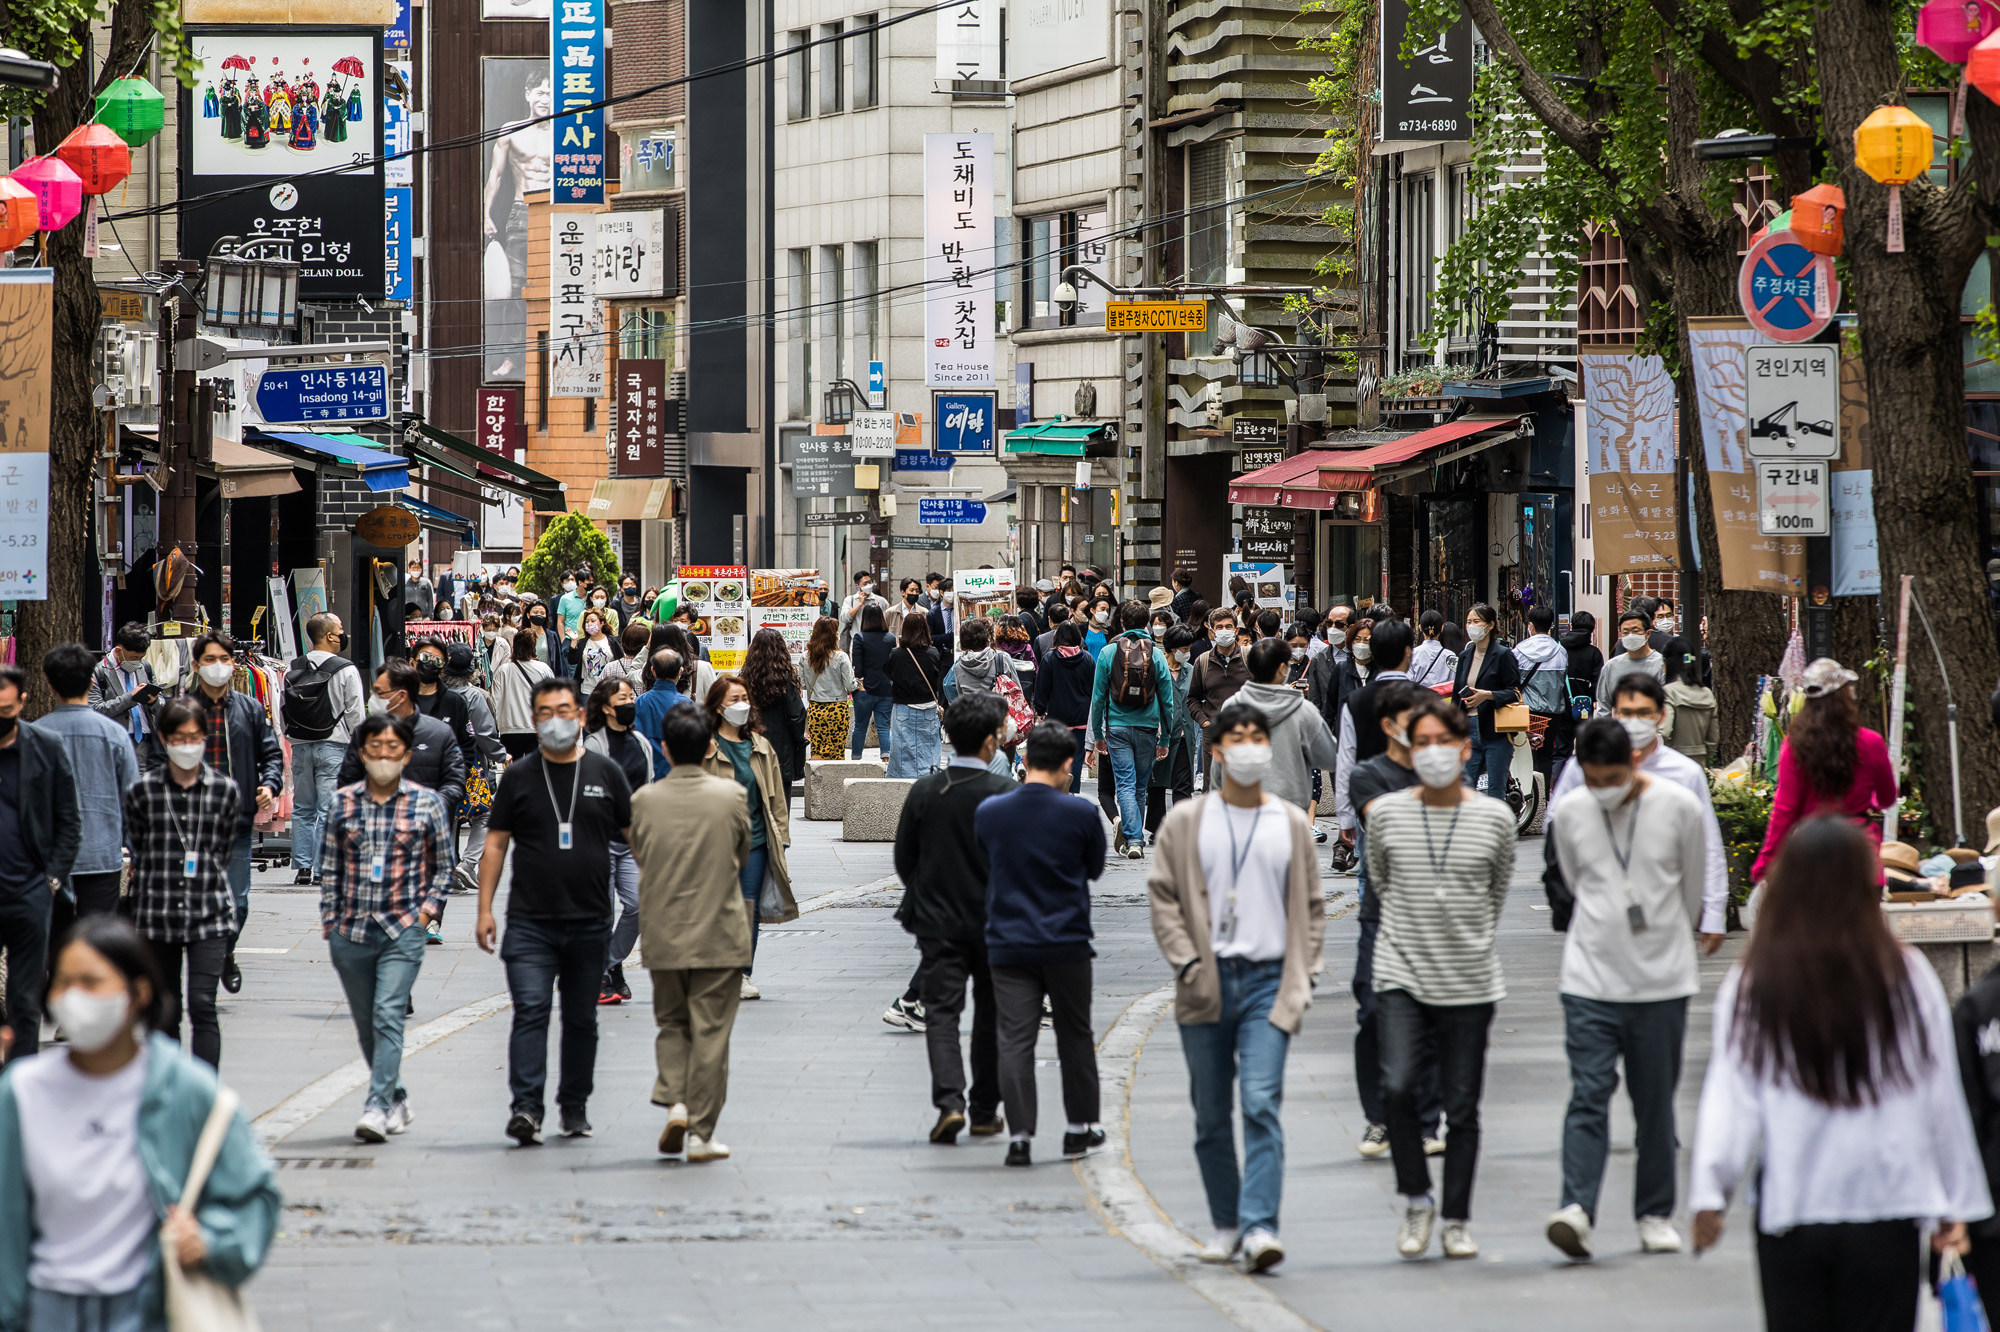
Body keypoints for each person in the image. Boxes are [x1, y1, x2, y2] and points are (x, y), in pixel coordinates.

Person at [1690, 817, 1991, 1329]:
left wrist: (1710, 1191)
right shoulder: (1903, 973)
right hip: (1886, 1203)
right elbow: (1938, 1092)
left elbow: (1731, 1092)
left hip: (1794, 1201)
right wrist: (1955, 1202)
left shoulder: (1757, 978)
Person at [0, 915, 280, 1331]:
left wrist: (210, 1240)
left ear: (138, 992)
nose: (75, 997)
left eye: (92, 982)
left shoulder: (185, 1091)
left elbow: (255, 1195)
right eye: (63, 982)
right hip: (43, 1311)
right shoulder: (22, 1092)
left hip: (146, 1309)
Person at [1146, 697, 1327, 1273]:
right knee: (1209, 1114)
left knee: (1260, 1103)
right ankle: (1226, 1224)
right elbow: (1164, 898)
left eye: (1258, 738)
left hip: (1269, 982)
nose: (1250, 747)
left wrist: (1303, 978)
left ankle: (1260, 1228)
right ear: (1218, 751)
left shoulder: (1290, 823)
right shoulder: (1186, 822)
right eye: (1238, 738)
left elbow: (1312, 909)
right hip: (1206, 982)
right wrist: (1187, 963)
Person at [1542, 718, 1712, 1261]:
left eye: (1612, 777)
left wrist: (1667, 938)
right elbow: (1572, 881)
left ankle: (1655, 1213)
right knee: (1588, 1094)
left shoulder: (1677, 807)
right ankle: (1576, 1208)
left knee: (1655, 1103)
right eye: (1592, 779)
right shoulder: (1570, 813)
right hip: (1589, 977)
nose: (1602, 789)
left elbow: (1691, 886)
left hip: (1661, 980)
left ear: (1634, 763)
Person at [1365, 697, 1518, 1260]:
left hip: (1470, 978)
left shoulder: (1495, 818)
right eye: (1420, 743)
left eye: (1441, 743)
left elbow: (1496, 892)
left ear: (1464, 748)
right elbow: (1381, 882)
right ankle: (1415, 1199)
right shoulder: (1385, 813)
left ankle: (1455, 1217)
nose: (1431, 753)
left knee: (1463, 1104)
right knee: (1399, 1087)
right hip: (1401, 968)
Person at [477, 677, 635, 1146]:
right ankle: (526, 1106)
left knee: (581, 1018)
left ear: (581, 716)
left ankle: (574, 1106)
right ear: (533, 720)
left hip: (589, 923)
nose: (555, 720)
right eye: (544, 713)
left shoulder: (606, 773)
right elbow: (495, 844)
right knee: (531, 1010)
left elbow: (636, 839)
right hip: (529, 921)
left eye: (564, 711)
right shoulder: (519, 776)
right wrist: (484, 909)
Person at [977, 720, 1107, 1168]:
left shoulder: (991, 812)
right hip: (1067, 940)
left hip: (1008, 941)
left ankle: (1020, 1137)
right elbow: (1093, 870)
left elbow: (984, 864)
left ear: (1024, 760)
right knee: (1075, 1033)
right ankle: (1078, 1128)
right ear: (1068, 763)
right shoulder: (1082, 814)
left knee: (1014, 1039)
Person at [628, 701, 752, 1163]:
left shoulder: (643, 800)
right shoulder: (731, 796)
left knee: (672, 1024)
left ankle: (675, 1100)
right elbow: (740, 855)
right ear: (708, 747)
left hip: (663, 931)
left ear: (664, 748)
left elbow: (641, 854)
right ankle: (701, 1131)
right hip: (719, 930)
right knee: (711, 1032)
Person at [321, 712, 454, 1142]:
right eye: (374, 747)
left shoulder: (426, 803)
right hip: (351, 931)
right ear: (361, 753)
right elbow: (330, 868)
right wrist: (331, 922)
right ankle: (396, 1095)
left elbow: (443, 866)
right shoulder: (342, 803)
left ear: (406, 754)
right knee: (365, 1026)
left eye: (392, 748)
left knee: (388, 1014)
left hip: (403, 929)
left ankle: (376, 1107)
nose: (383, 755)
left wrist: (427, 912)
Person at [893, 694, 1015, 1144]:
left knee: (941, 1012)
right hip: (995, 922)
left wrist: (928, 891)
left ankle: (950, 1103)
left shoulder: (928, 790)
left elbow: (905, 858)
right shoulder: (1007, 794)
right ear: (989, 743)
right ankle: (985, 1109)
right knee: (990, 1013)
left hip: (938, 922)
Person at [1341, 680, 1445, 1160]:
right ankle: (1379, 1116)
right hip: (1380, 915)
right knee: (1373, 1011)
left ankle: (1427, 1121)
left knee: (1430, 1015)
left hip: (1433, 915)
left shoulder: (1442, 774)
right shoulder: (1369, 775)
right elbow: (1387, 823)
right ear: (1390, 727)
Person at [1548, 673, 1730, 939]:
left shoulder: (1685, 773)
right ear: (1614, 714)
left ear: (1661, 715)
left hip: (1665, 908)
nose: (1634, 722)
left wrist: (1713, 911)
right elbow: (1556, 825)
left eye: (1644, 713)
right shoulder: (1583, 766)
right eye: (1627, 712)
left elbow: (1708, 843)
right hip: (1596, 910)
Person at [160, 633, 281, 997]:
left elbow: (271, 754)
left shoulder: (249, 708)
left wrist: (269, 784)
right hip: (188, 822)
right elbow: (157, 759)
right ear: (196, 665)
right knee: (189, 898)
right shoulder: (178, 711)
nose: (218, 666)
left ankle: (225, 950)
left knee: (237, 900)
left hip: (236, 819)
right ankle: (201, 964)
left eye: (224, 658)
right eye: (210, 659)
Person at [124, 697, 240, 1068]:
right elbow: (138, 845)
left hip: (209, 911)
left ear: (205, 738)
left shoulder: (224, 791)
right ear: (164, 738)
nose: (187, 744)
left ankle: (202, 1093)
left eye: (194, 736)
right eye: (179, 737)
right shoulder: (143, 792)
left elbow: (223, 849)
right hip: (157, 912)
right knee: (165, 1009)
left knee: (203, 1005)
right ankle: (168, 1088)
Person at [1750, 657, 1897, 884]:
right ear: (1845, 698)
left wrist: (1765, 863)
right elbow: (1887, 797)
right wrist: (1869, 801)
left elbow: (1785, 809)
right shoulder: (1871, 742)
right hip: (1860, 849)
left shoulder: (1794, 746)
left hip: (1812, 849)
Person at [702, 676, 800, 1000]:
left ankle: (742, 972)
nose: (742, 704)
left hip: (756, 841)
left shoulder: (760, 746)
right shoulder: (705, 745)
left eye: (745, 697)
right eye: (734, 699)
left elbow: (775, 800)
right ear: (718, 705)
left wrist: (781, 837)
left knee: (749, 907)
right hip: (715, 842)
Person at [37, 645, 138, 932]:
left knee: (56, 943)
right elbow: (132, 801)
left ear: (50, 686)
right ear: (92, 681)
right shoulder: (115, 735)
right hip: (102, 855)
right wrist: (137, 855)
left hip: (51, 860)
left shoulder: (36, 736)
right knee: (99, 941)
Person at [279, 612, 368, 888]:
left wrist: (292, 738)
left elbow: (284, 711)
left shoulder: (292, 667)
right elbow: (355, 712)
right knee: (328, 810)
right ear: (330, 635)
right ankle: (322, 868)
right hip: (335, 746)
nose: (343, 633)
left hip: (301, 747)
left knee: (303, 808)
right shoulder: (346, 669)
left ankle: (303, 868)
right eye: (340, 629)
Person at [1090, 600, 1177, 859]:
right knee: (1139, 787)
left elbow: (1097, 698)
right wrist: (1167, 736)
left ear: (1122, 623)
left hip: (1117, 727)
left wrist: (1097, 734)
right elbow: (1168, 700)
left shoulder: (1108, 652)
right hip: (1148, 727)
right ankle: (1133, 838)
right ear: (1147, 623)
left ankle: (1134, 839)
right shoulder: (1157, 654)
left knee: (1125, 785)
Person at [584, 679, 650, 1006]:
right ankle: (604, 974)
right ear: (607, 707)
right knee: (603, 913)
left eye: (630, 696)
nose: (629, 702)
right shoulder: (594, 745)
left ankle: (609, 962)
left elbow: (648, 789)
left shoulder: (641, 742)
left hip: (632, 841)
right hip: (599, 840)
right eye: (622, 698)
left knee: (639, 905)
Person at [1231, 639, 1338, 818]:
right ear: (1282, 668)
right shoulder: (1304, 711)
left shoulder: (1231, 708)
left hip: (1243, 807)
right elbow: (1330, 758)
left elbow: (1219, 767)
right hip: (1291, 812)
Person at [1145, 624, 1203, 840]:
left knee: (1183, 784)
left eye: (1188, 648)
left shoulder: (1191, 670)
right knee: (1157, 783)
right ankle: (1157, 828)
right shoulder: (1155, 668)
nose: (1186, 653)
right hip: (1159, 735)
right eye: (1183, 648)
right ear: (1170, 648)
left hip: (1184, 735)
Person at [741, 629, 808, 800]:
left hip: (752, 745)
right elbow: (797, 715)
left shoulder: (745, 677)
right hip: (782, 748)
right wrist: (799, 738)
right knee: (781, 804)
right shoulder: (786, 678)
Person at [1033, 621, 1097, 793]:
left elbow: (1042, 688)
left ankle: (1057, 788)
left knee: (1058, 755)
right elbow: (1094, 690)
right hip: (1082, 717)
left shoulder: (1049, 659)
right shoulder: (1088, 659)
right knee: (1076, 758)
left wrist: (1039, 710)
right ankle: (1071, 791)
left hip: (1057, 718)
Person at [1513, 605, 1571, 788]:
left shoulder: (1519, 651)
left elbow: (1513, 680)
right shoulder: (1560, 651)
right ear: (1550, 625)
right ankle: (1543, 794)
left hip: (1526, 713)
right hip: (1552, 713)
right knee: (1546, 754)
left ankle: (1526, 792)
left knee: (1524, 754)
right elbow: (1562, 681)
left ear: (1530, 626)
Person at [887, 614, 947, 778]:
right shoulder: (933, 653)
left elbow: (889, 673)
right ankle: (927, 785)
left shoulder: (896, 654)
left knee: (902, 754)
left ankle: (904, 791)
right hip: (927, 708)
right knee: (929, 751)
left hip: (903, 708)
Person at [91, 622, 163, 751]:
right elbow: (95, 710)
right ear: (119, 650)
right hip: (114, 742)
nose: (137, 662)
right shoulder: (99, 672)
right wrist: (131, 697)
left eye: (141, 657)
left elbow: (162, 707)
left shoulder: (145, 667)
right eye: (133, 657)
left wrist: (155, 702)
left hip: (146, 741)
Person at [1186, 607, 1251, 739]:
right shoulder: (1202, 661)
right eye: (1219, 627)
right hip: (1213, 736)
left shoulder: (1249, 658)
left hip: (1245, 735)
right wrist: (1204, 722)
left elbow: (1262, 693)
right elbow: (1193, 699)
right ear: (1212, 632)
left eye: (1228, 626)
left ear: (1236, 630)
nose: (1224, 631)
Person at [493, 626, 556, 759]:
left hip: (509, 728)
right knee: (534, 771)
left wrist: (496, 727)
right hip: (536, 728)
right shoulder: (544, 669)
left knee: (514, 770)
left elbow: (495, 701)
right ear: (534, 646)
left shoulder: (503, 670)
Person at [849, 602, 899, 764]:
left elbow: (858, 665)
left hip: (865, 689)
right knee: (884, 726)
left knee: (860, 726)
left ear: (864, 619)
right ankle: (886, 759)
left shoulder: (859, 637)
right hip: (886, 688)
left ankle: (856, 760)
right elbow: (892, 664)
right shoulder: (890, 638)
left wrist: (861, 682)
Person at [801, 616, 855, 761]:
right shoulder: (841, 657)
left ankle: (816, 783)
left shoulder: (805, 656)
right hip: (837, 710)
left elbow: (803, 684)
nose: (838, 634)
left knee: (817, 751)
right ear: (833, 635)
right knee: (836, 752)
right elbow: (850, 685)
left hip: (816, 709)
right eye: (836, 631)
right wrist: (857, 683)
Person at [1593, 607, 1664, 716]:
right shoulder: (1611, 667)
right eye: (1625, 632)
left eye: (1636, 631)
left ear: (1648, 633)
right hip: (1618, 731)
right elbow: (1603, 708)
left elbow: (1666, 706)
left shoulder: (1661, 665)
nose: (1630, 636)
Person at [633, 648, 687, 780]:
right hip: (678, 775)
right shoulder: (687, 705)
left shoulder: (639, 702)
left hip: (646, 771)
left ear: (653, 671)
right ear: (680, 671)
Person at [1662, 666, 1719, 764]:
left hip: (1672, 758)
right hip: (1700, 758)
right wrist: (1705, 753)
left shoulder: (1669, 691)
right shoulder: (1707, 692)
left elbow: (1665, 731)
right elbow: (1714, 736)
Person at [1562, 610, 1605, 725]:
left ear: (1571, 626)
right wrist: (1592, 697)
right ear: (1592, 630)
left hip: (1561, 701)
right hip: (1584, 703)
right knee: (1584, 737)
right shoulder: (1594, 653)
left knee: (1563, 740)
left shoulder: (1560, 648)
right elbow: (1598, 681)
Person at [571, 606, 620, 696]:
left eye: (593, 621)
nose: (589, 624)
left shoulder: (612, 641)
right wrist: (574, 642)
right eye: (587, 621)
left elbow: (620, 661)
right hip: (587, 689)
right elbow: (572, 660)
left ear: (601, 623)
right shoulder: (582, 642)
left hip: (609, 689)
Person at [837, 572, 889, 654]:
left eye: (870, 582)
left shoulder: (880, 600)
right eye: (865, 583)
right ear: (857, 586)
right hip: (858, 642)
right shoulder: (850, 600)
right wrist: (860, 604)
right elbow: (845, 618)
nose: (868, 585)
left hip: (877, 642)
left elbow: (888, 619)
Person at [1409, 613, 1457, 691]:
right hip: (1443, 701)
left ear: (1420, 628)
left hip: (1419, 700)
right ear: (1442, 628)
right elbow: (1453, 684)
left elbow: (1408, 682)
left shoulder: (1413, 654)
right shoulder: (1450, 656)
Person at [555, 573, 586, 638]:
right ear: (562, 584)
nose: (570, 582)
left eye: (572, 579)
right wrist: (562, 640)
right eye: (567, 580)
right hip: (569, 638)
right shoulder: (563, 598)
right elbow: (559, 621)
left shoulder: (590, 596)